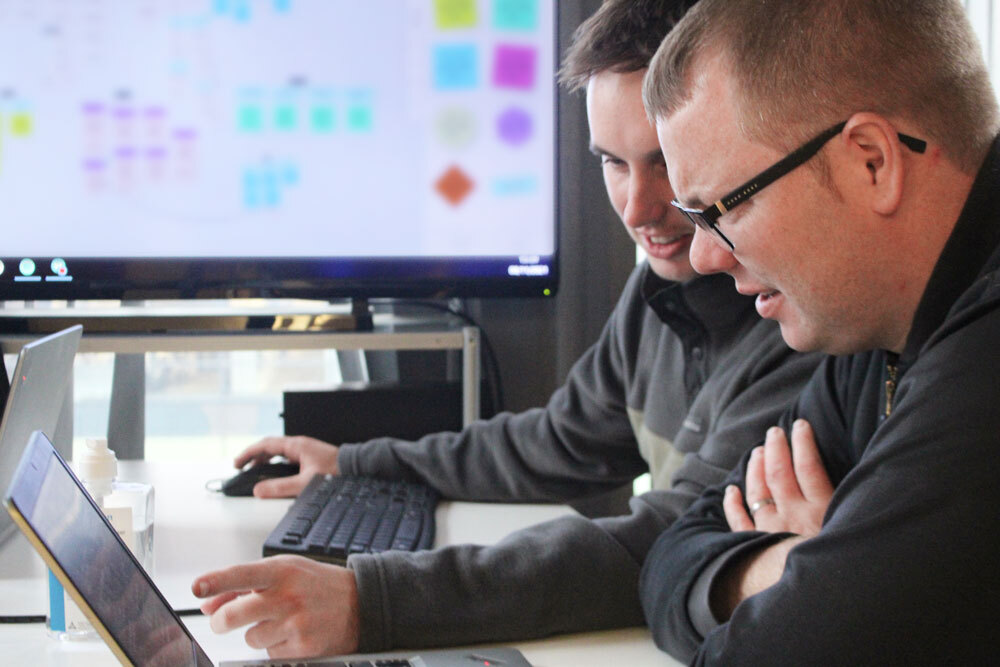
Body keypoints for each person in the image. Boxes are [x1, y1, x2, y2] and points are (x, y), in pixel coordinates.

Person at [191, 0, 822, 659]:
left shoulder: (802, 323)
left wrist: (372, 600)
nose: (637, 208)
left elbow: (667, 536)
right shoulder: (662, 287)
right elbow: (556, 441)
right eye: (612, 162)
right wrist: (357, 462)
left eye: (662, 161)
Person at [637, 0, 1000, 663]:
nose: (703, 257)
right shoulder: (881, 322)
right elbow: (671, 557)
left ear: (871, 161)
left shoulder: (984, 365)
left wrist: (828, 578)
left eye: (724, 208)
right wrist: (798, 565)